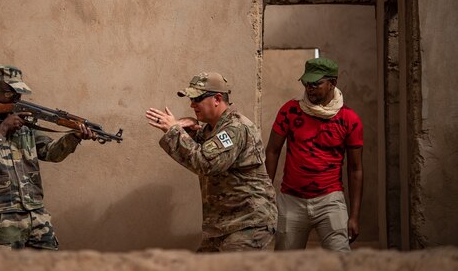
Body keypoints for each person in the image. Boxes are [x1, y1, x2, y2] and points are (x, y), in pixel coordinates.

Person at [0, 65, 95, 250]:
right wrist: (3, 129)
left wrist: (74, 136)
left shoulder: (25, 124)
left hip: (37, 213)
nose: (17, 97)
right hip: (4, 217)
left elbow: (50, 152)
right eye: (11, 92)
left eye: (19, 92)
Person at [146, 72, 277, 252]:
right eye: (191, 99)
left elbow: (205, 163)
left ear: (217, 98)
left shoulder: (235, 128)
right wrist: (190, 133)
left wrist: (175, 132)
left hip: (247, 223)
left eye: (197, 98)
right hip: (222, 226)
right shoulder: (212, 129)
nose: (192, 104)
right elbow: (201, 151)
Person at [265, 57, 363, 252]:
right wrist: (266, 196)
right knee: (286, 268)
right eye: (306, 83)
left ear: (332, 83)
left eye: (316, 84)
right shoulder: (290, 111)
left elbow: (356, 169)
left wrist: (354, 216)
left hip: (330, 200)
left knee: (341, 264)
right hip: (291, 200)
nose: (309, 88)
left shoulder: (349, 119)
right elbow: (272, 151)